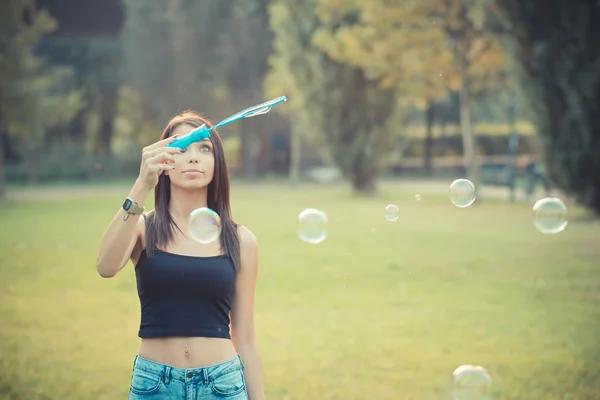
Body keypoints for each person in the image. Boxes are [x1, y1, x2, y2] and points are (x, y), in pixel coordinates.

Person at [96, 111, 265, 399]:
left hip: (222, 385)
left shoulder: (240, 240)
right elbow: (105, 266)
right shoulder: (141, 228)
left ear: (217, 162)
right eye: (181, 148)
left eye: (204, 148)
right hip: (154, 385)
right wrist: (141, 185)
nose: (193, 157)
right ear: (164, 160)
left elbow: (245, 337)